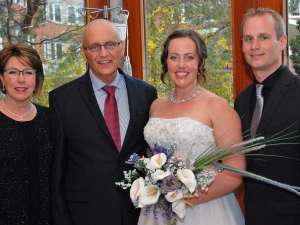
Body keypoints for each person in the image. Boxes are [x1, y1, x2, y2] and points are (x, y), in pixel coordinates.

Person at [49, 19, 157, 225]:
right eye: (94, 47)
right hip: (84, 216)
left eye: (110, 44)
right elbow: (57, 174)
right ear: (84, 52)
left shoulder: (146, 94)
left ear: (122, 47)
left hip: (137, 214)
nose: (104, 53)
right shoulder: (62, 100)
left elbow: (149, 155)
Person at [138, 29, 245, 225]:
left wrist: (181, 199)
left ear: (200, 62)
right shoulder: (156, 106)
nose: (181, 65)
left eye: (189, 57)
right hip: (158, 211)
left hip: (205, 210)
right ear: (166, 62)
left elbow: (234, 174)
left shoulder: (217, 107)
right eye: (174, 57)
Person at [234, 8, 300, 225]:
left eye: (263, 37)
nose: (254, 46)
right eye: (248, 39)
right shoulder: (242, 101)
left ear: (282, 42)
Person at [0, 43, 53, 225]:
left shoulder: (51, 119)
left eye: (28, 72)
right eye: (13, 72)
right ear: (1, 78)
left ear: (37, 79)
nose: (21, 80)